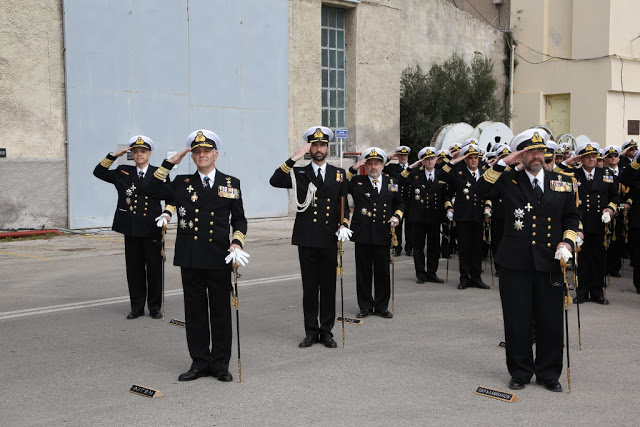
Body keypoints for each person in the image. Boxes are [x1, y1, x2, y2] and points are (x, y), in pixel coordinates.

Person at [476, 128, 580, 392]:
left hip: (550, 261)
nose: (536, 156)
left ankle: (548, 372)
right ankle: (520, 371)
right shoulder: (508, 180)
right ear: (521, 155)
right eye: (529, 151)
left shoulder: (562, 181)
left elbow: (571, 217)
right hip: (516, 263)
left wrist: (567, 241)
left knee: (550, 320)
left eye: (540, 151)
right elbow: (481, 191)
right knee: (517, 320)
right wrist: (502, 163)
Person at [149, 129, 249, 383]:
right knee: (194, 313)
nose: (202, 155)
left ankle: (220, 364)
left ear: (216, 154)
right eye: (197, 152)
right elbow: (149, 189)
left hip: (218, 257)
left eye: (206, 151)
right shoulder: (181, 183)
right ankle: (199, 362)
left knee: (220, 313)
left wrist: (236, 243)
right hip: (191, 256)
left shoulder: (230, 183)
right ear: (192, 156)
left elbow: (238, 218)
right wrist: (169, 164)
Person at [269, 126, 350, 348]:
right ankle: (310, 331)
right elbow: (275, 180)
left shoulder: (338, 174)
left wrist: (344, 224)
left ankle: (326, 331)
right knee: (310, 287)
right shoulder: (299, 173)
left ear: (327, 148)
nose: (319, 149)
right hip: (307, 237)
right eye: (314, 145)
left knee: (328, 286)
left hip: (329, 238)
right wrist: (294, 158)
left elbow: (344, 204)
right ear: (310, 148)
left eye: (322, 145)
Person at [93, 135, 174, 320]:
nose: (139, 154)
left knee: (154, 269)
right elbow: (98, 172)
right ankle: (136, 307)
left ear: (149, 153)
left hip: (152, 227)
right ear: (131, 154)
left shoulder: (160, 172)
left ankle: (154, 307)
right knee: (134, 269)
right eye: (135, 151)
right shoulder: (123, 172)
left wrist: (167, 213)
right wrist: (114, 155)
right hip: (130, 227)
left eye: (143, 151)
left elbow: (171, 197)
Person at [348, 147, 404, 318]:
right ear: (366, 165)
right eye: (370, 164)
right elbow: (340, 184)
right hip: (363, 233)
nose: (373, 167)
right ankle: (365, 306)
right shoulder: (357, 181)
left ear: (382, 165)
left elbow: (400, 203)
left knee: (382, 272)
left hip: (382, 233)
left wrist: (396, 216)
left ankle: (381, 306)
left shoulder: (391, 182)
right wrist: (353, 168)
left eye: (377, 163)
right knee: (363, 272)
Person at [569, 142, 619, 304]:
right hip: (581, 222)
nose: (591, 159)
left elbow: (615, 196)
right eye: (587, 157)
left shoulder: (605, 173)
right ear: (581, 159)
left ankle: (597, 292)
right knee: (582, 259)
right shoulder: (573, 175)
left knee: (598, 258)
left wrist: (610, 210)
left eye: (594, 156)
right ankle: (582, 291)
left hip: (599, 222)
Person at [441, 143, 490, 290]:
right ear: (466, 159)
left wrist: (488, 205)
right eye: (470, 158)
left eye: (476, 157)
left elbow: (489, 191)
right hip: (463, 216)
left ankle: (476, 278)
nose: (474, 160)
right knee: (464, 249)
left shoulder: (484, 172)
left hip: (478, 215)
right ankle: (464, 278)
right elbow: (441, 174)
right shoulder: (458, 172)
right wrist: (455, 160)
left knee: (477, 249)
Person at [400, 146, 450, 284]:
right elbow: (401, 180)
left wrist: (448, 209)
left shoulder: (441, 174)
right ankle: (421, 274)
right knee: (418, 247)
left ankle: (432, 273)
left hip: (434, 217)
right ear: (422, 161)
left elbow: (445, 194)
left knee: (434, 247)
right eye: (427, 159)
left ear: (436, 160)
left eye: (432, 159)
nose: (430, 162)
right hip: (418, 218)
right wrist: (412, 166)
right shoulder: (415, 174)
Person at [384, 146, 413, 256]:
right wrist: (388, 158)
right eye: (401, 155)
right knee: (397, 226)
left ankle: (409, 247)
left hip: (410, 201)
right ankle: (397, 247)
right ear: (397, 156)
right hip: (397, 200)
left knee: (410, 227)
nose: (403, 157)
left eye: (405, 155)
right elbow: (381, 167)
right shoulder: (392, 167)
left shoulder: (412, 167)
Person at [619, 150, 640, 293]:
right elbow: (623, 177)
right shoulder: (636, 173)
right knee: (638, 254)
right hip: (638, 221)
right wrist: (637, 163)